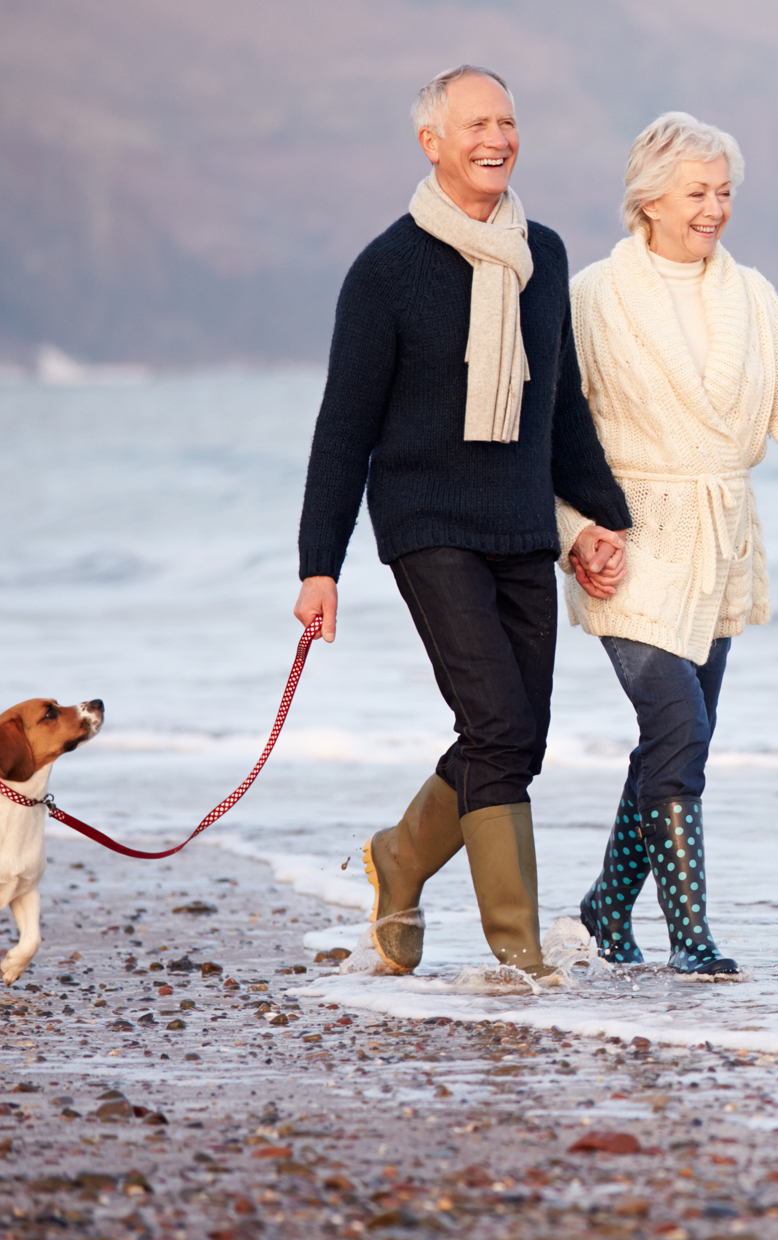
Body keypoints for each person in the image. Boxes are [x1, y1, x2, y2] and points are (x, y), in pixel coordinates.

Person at [292, 65, 635, 980]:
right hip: (427, 522)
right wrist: (318, 564)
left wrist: (606, 521)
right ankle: (519, 953)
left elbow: (560, 410)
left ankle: (398, 859)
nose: (498, 137)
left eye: (509, 122)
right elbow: (344, 426)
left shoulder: (545, 255)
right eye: (477, 122)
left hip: (520, 522)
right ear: (431, 142)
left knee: (516, 735)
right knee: (494, 718)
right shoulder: (387, 271)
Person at [564, 111, 778, 979]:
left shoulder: (750, 293)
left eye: (724, 193)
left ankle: (605, 909)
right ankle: (691, 938)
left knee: (680, 738)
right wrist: (574, 533)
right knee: (677, 724)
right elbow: (559, 430)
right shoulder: (595, 295)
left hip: (720, 540)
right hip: (628, 540)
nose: (714, 209)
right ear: (650, 198)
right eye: (697, 192)